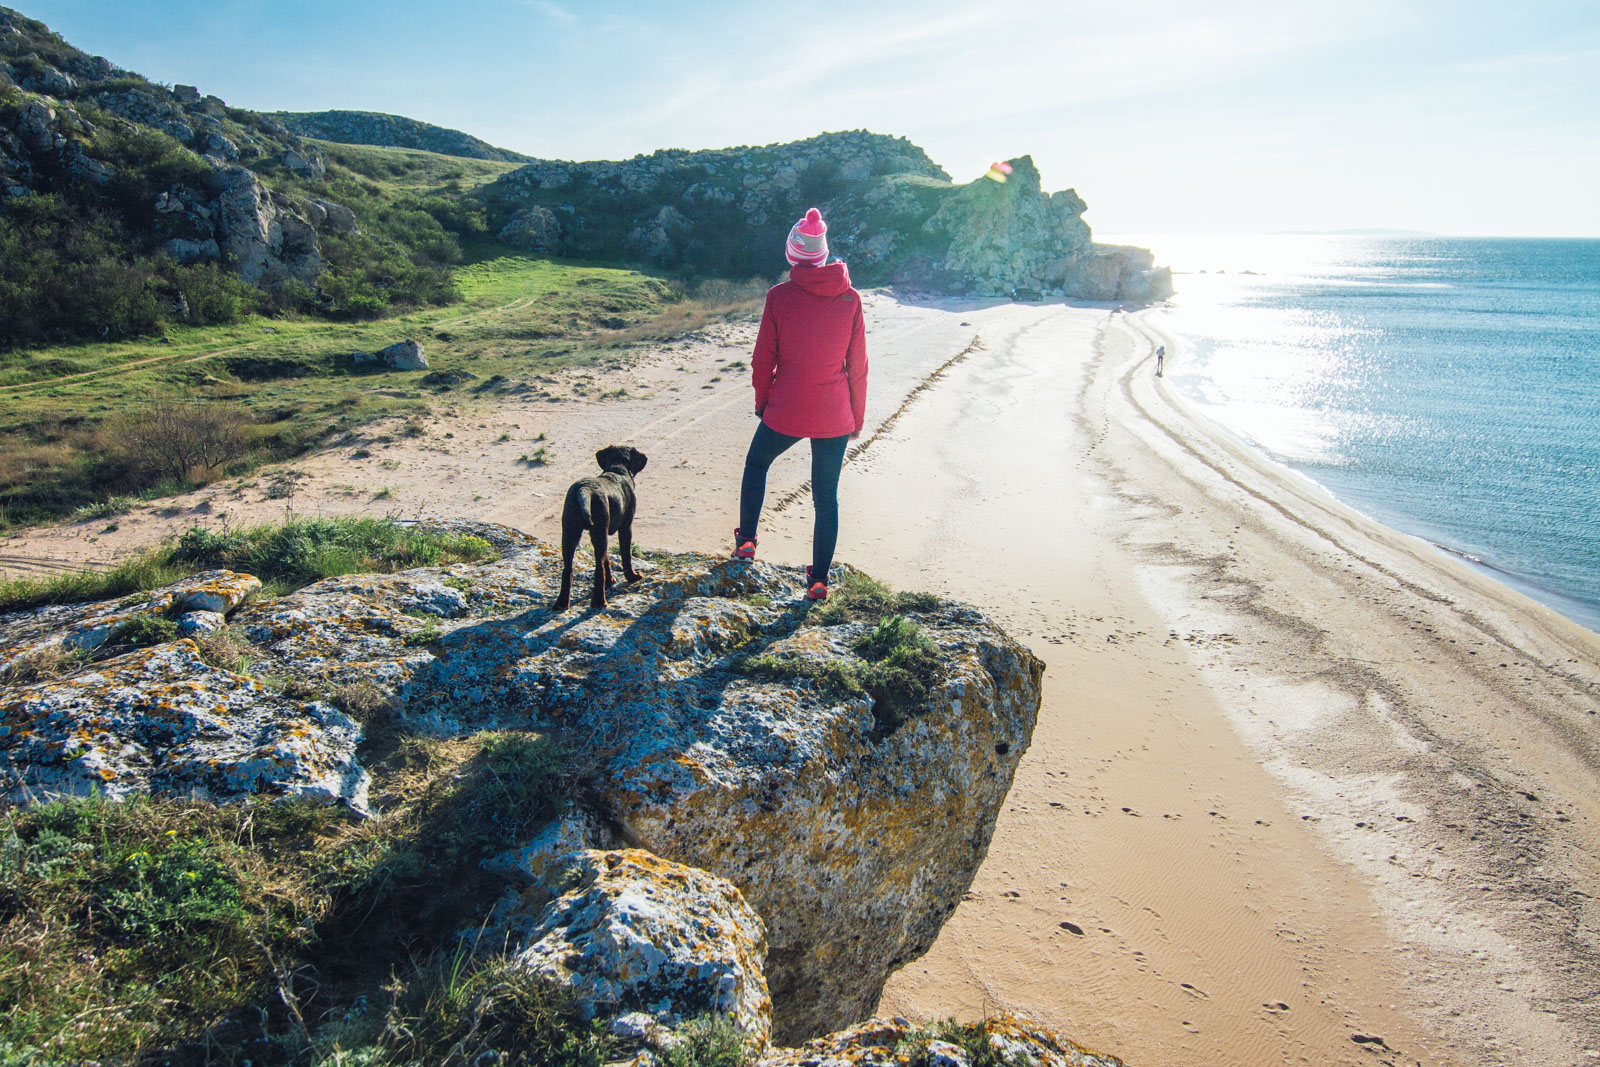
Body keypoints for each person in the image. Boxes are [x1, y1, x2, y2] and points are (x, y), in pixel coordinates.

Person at [733, 207, 868, 601]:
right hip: (835, 413)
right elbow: (857, 367)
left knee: (757, 463)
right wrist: (856, 419)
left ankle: (746, 541)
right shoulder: (851, 298)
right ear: (823, 254)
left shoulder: (779, 296)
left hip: (786, 407)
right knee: (826, 498)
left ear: (793, 254)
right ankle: (819, 581)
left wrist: (763, 403)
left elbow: (763, 360)